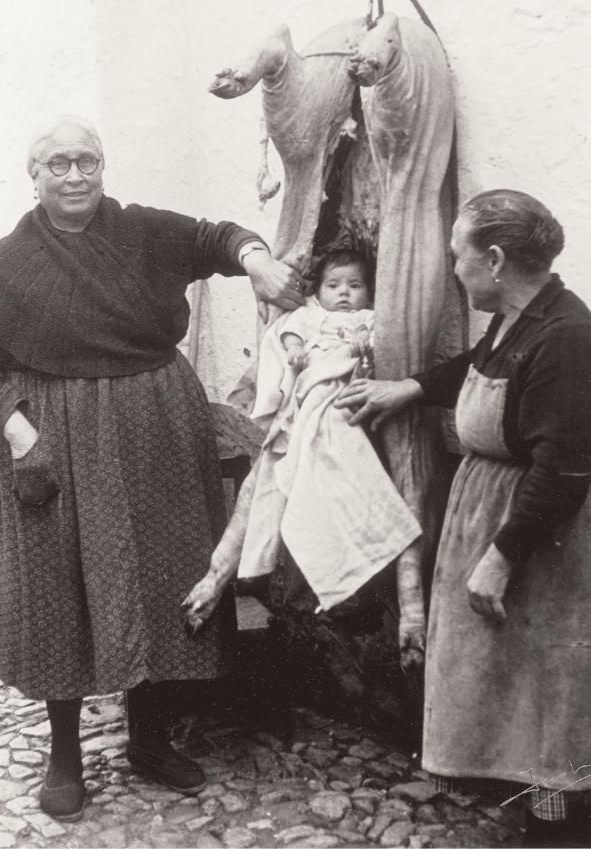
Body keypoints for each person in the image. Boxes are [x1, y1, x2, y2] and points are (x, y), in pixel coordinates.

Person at [0, 115, 305, 822]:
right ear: (33, 177)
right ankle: (66, 755)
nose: (75, 175)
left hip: (155, 424)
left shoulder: (139, 229)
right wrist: (20, 437)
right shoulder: (10, 261)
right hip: (55, 432)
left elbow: (215, 238)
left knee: (162, 570)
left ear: (104, 167)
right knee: (60, 582)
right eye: (58, 165)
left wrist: (257, 259)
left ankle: (149, 737)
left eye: (88, 161)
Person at [334, 189, 591, 846]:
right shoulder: (515, 317)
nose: (453, 269)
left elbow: (562, 467)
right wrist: (413, 387)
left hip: (538, 535)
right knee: (510, 679)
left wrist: (500, 558)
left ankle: (557, 828)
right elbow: (475, 370)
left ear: (496, 259)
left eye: (459, 256)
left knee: (545, 691)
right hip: (493, 510)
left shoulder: (564, 335)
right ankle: (532, 805)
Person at [183, 248, 422, 657]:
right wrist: (294, 350)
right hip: (312, 388)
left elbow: (377, 346)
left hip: (344, 389)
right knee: (303, 449)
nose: (344, 294)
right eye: (334, 286)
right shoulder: (309, 314)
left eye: (354, 285)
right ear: (319, 290)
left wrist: (365, 344)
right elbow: (289, 334)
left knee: (330, 450)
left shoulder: (368, 319)